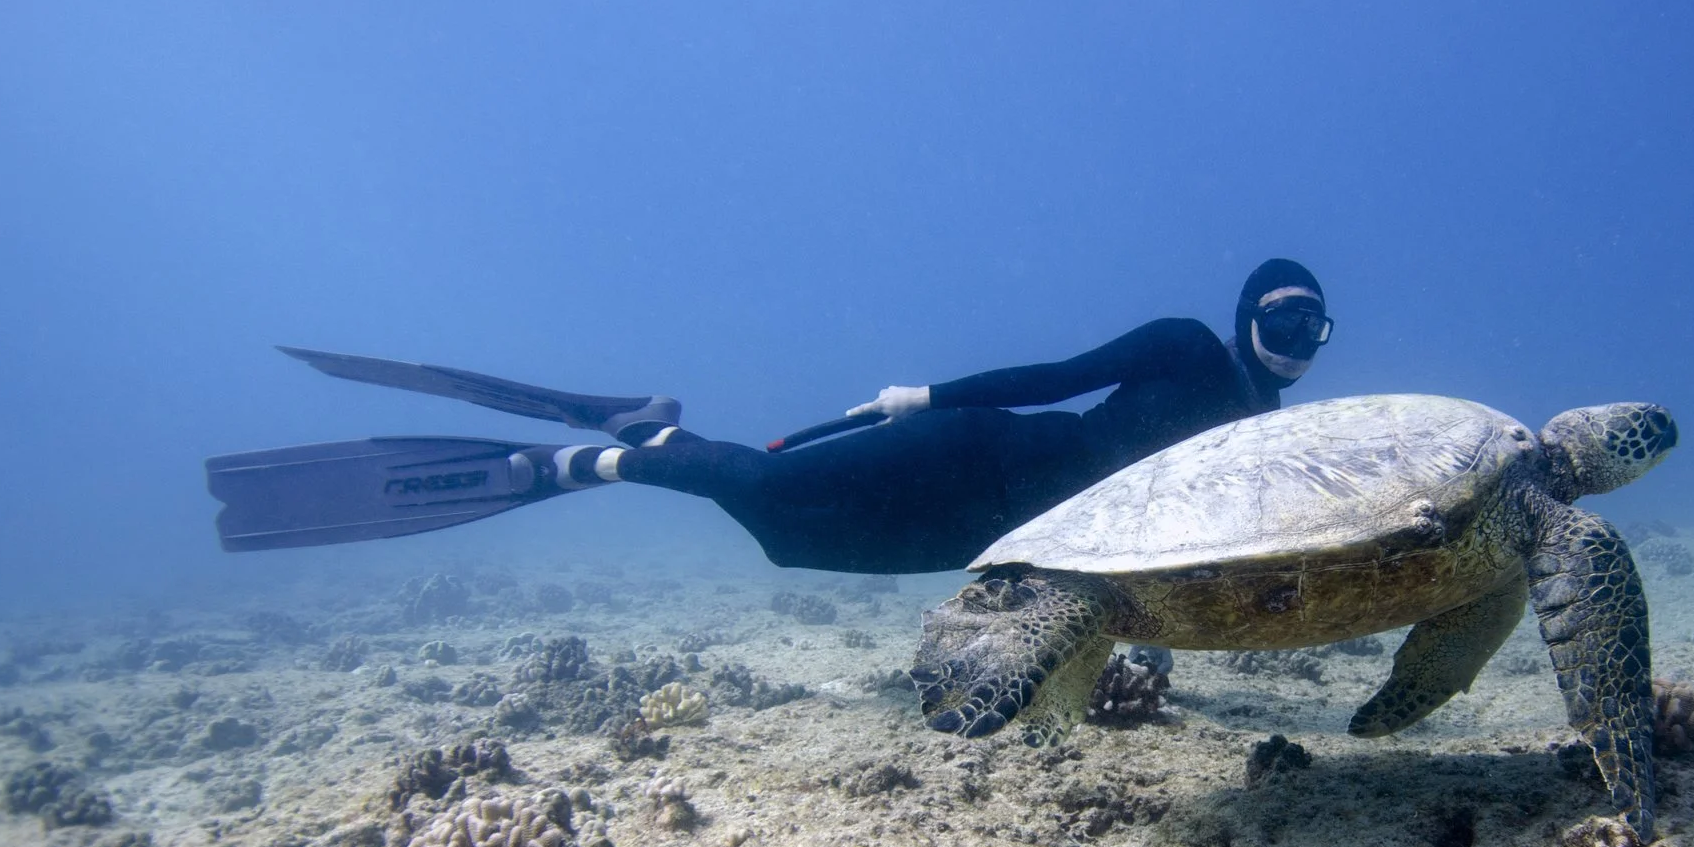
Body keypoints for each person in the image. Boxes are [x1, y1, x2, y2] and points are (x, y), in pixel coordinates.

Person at [206, 259, 1332, 574]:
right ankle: (618, 450)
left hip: (1014, 533)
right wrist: (924, 397)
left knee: (797, 541)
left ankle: (629, 443)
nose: (1294, 338)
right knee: (786, 487)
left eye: (1314, 329)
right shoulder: (1188, 347)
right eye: (1283, 314)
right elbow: (1055, 372)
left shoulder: (1270, 434)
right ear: (1244, 316)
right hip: (998, 447)